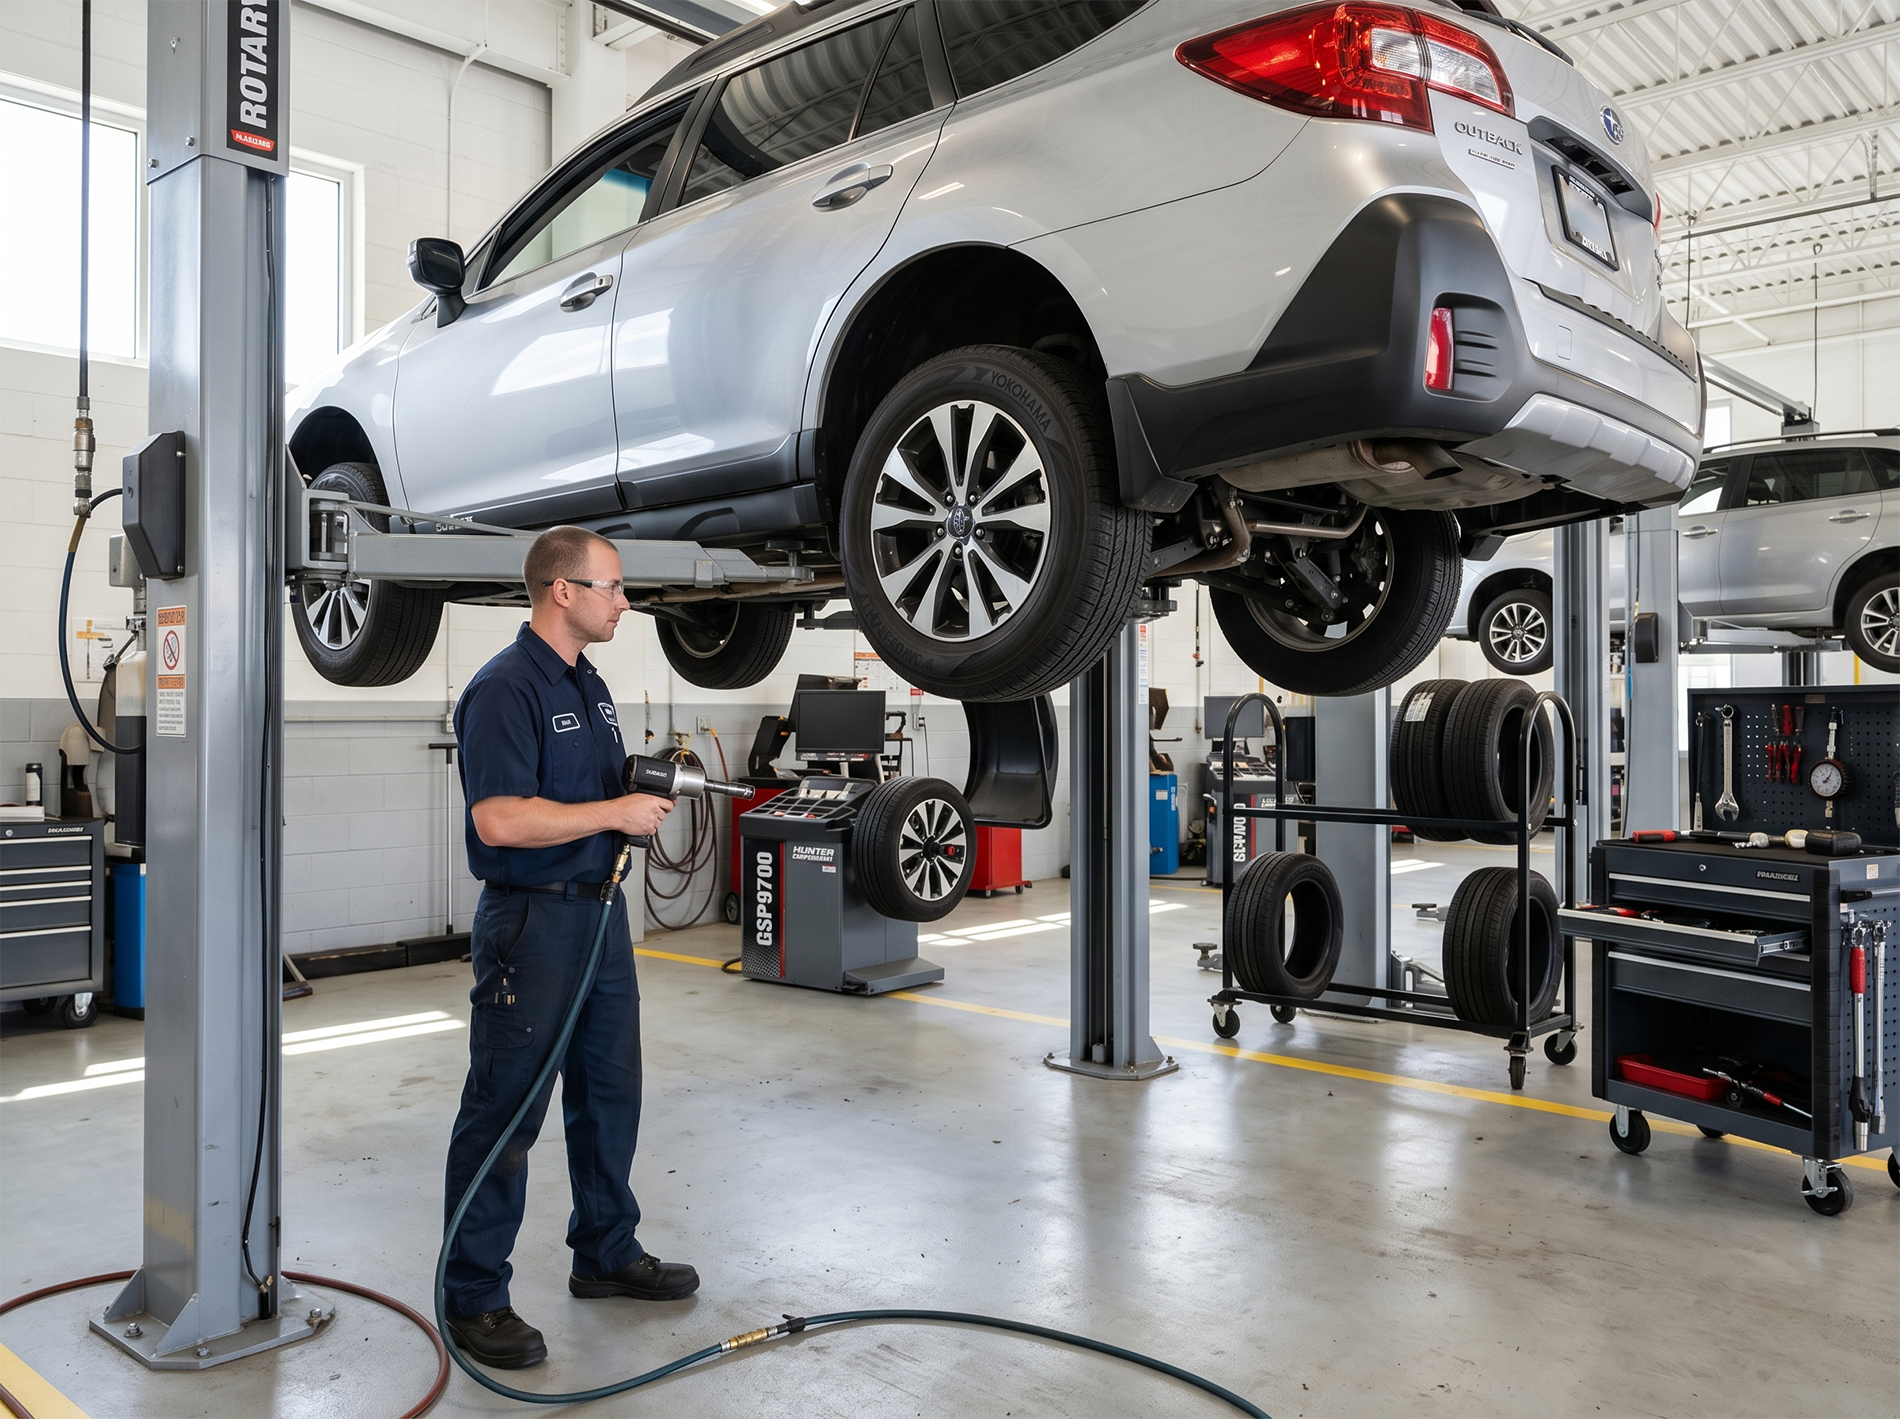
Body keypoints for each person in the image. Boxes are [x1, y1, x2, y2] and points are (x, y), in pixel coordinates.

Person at [443, 524, 696, 1370]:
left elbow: (581, 788)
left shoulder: (591, 684)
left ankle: (605, 1249)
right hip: (534, 925)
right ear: (563, 590)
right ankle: (473, 1294)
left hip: (601, 915)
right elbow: (499, 819)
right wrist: (613, 813)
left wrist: (631, 785)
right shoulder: (503, 689)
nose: (624, 602)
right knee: (506, 1110)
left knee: (610, 1092)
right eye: (612, 586)